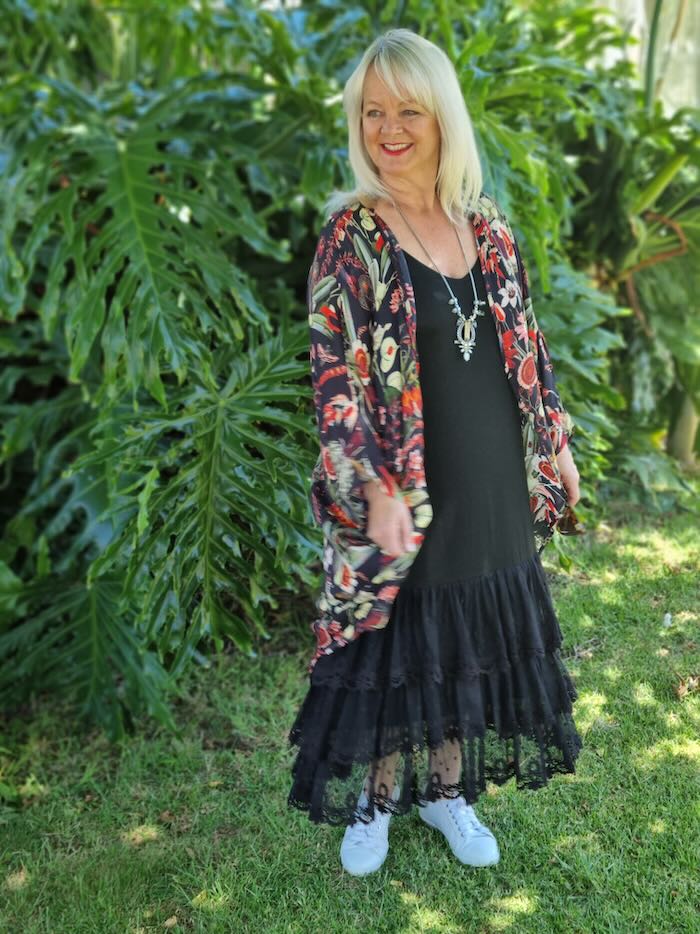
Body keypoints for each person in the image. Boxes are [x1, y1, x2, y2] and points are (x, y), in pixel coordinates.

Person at [287, 27, 583, 876]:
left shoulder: (484, 229)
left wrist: (553, 440)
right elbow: (332, 377)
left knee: (468, 636)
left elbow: (527, 346)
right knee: (399, 638)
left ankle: (447, 791)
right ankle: (377, 802)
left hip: (489, 474)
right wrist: (371, 482)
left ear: (442, 116)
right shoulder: (353, 238)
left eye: (407, 109)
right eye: (373, 112)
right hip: (406, 484)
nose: (389, 129)